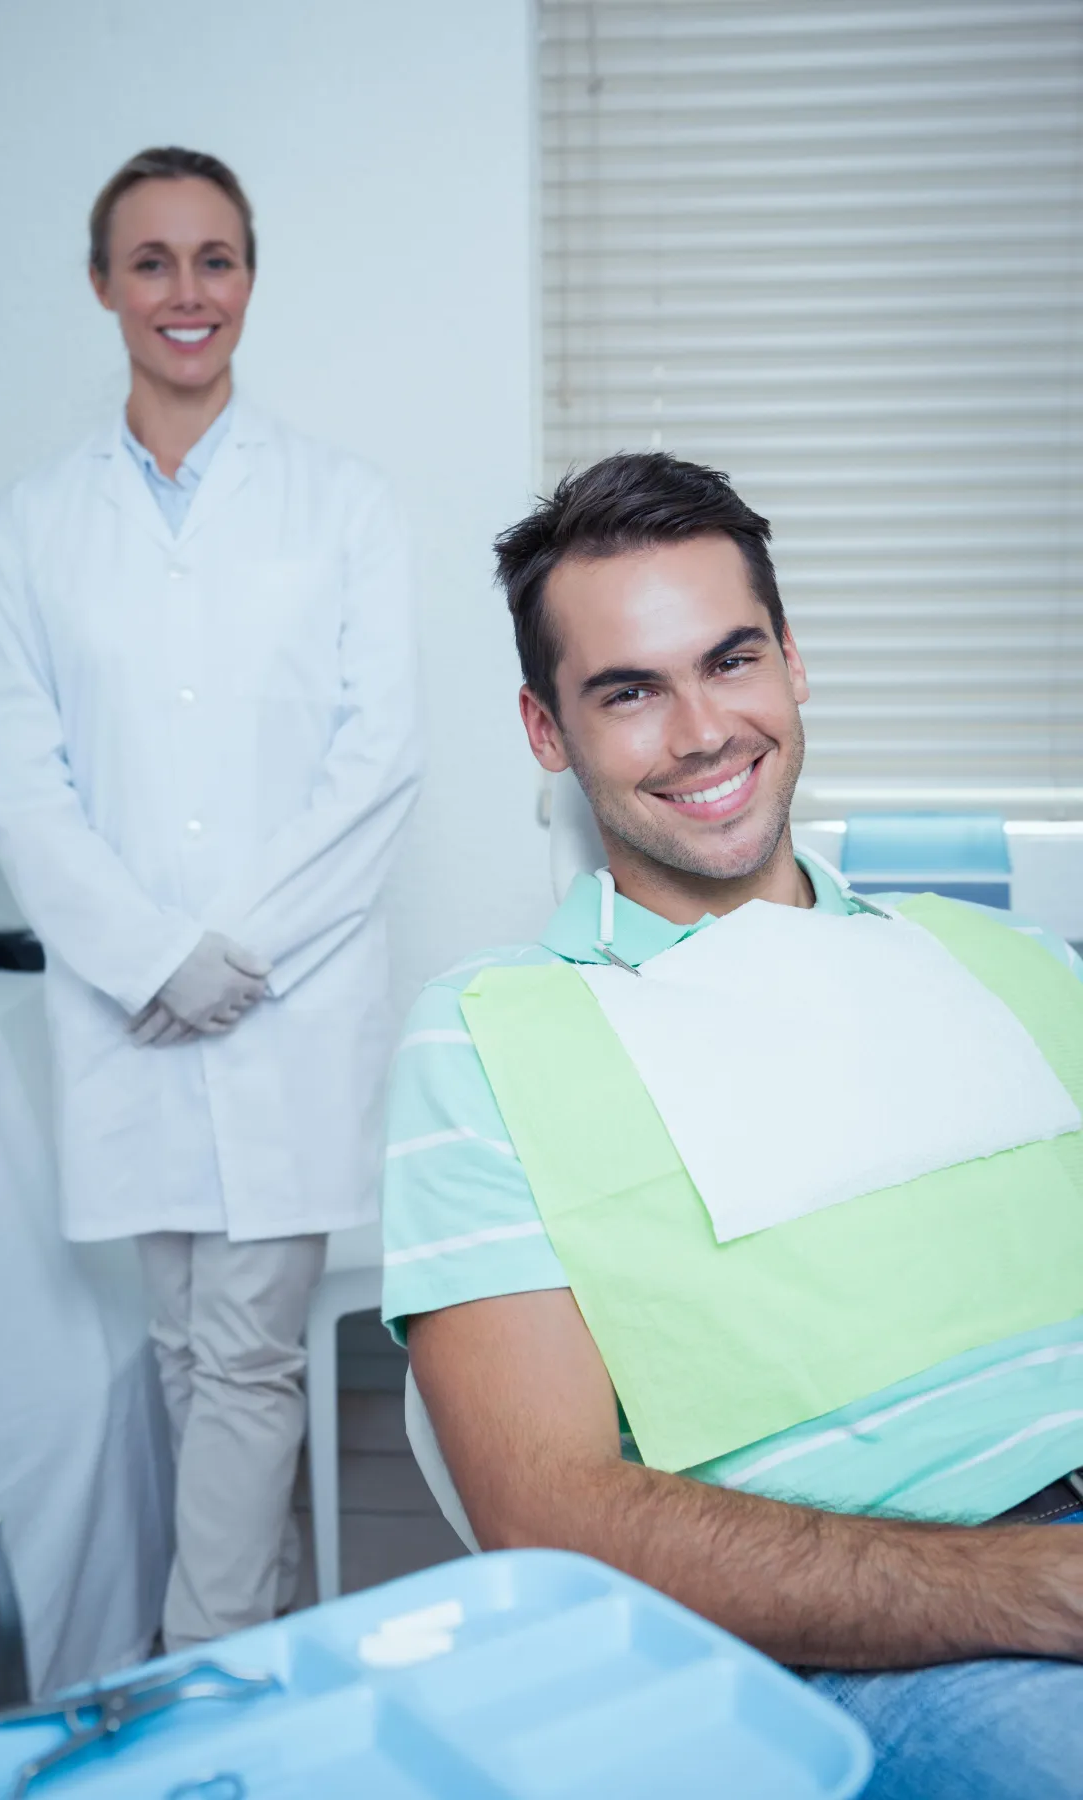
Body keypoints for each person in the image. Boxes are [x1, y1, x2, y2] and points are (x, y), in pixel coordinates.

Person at [382, 452, 1083, 1798]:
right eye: (630, 691)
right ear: (546, 731)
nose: (701, 732)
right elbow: (547, 1514)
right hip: (901, 1643)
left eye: (730, 661)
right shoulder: (487, 1039)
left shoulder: (1013, 962)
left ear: (793, 665)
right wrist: (1040, 1588)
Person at [0, 146, 420, 1648]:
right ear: (103, 286)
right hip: (130, 1012)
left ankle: (199, 1677)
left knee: (238, 1355)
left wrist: (240, 953)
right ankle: (274, 1627)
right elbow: (20, 779)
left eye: (214, 259)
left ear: (250, 281)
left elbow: (379, 764)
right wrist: (155, 957)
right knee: (185, 1349)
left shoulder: (343, 504)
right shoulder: (26, 531)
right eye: (150, 261)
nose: (185, 292)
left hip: (287, 1007)